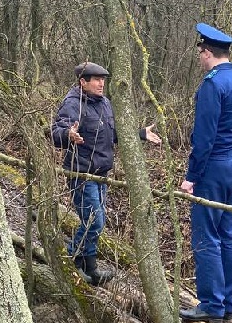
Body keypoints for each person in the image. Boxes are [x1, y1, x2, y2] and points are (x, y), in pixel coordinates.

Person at [51, 61, 161, 285]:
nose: (102, 84)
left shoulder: (105, 103)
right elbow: (56, 132)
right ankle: (69, 262)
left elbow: (114, 134)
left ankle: (89, 269)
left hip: (102, 174)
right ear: (83, 82)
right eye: (97, 79)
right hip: (81, 174)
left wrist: (140, 133)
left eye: (104, 79)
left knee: (95, 221)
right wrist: (68, 134)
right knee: (94, 222)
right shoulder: (73, 104)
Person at [178, 23, 232, 323]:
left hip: (213, 167)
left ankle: (211, 304)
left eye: (200, 53)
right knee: (228, 233)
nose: (199, 58)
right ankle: (228, 303)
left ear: (208, 52)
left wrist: (191, 175)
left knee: (206, 234)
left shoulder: (213, 84)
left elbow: (204, 137)